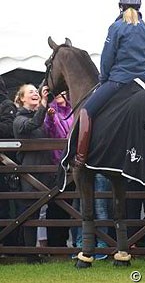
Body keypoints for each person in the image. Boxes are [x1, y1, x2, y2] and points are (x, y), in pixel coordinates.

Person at [75, 0, 145, 167]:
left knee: (86, 110)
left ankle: (80, 157)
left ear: (120, 7)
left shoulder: (116, 27)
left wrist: (104, 79)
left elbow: (107, 57)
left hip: (119, 81)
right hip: (142, 82)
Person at [13, 83, 53, 262]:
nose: (35, 94)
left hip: (45, 170)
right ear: (22, 98)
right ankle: (30, 254)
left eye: (36, 92)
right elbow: (33, 124)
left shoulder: (40, 117)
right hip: (29, 172)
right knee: (29, 212)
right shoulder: (19, 119)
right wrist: (44, 103)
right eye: (31, 92)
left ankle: (41, 251)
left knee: (43, 212)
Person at [44, 92, 74, 247]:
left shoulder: (73, 110)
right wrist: (49, 117)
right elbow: (47, 130)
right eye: (56, 93)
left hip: (73, 165)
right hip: (56, 164)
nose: (60, 94)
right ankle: (56, 245)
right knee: (56, 205)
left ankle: (72, 245)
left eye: (63, 92)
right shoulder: (50, 110)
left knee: (71, 206)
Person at [0, 75, 18, 247]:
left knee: (4, 206)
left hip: (4, 164)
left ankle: (8, 245)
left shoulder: (6, 105)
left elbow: (8, 130)